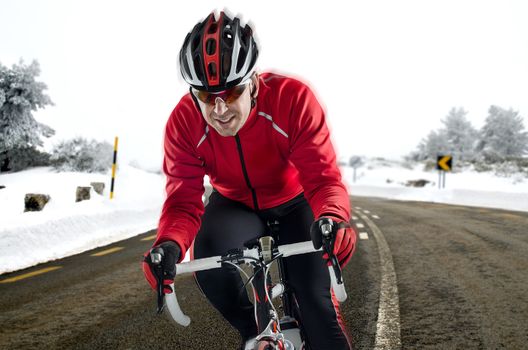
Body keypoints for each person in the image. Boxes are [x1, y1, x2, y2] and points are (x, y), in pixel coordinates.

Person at [143, 11, 357, 350]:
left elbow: (323, 179)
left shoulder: (293, 99)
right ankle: (253, 333)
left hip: (296, 201)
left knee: (319, 312)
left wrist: (332, 217)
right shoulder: (183, 123)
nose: (219, 110)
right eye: (204, 96)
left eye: (230, 94)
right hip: (234, 204)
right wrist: (168, 244)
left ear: (253, 81)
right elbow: (183, 199)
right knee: (210, 264)